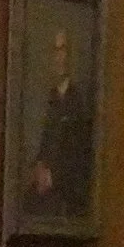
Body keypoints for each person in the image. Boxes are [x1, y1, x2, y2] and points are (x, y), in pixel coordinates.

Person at [26, 26, 95, 220]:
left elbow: (81, 156)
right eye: (56, 51)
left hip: (68, 195)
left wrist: (52, 176)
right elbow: (46, 143)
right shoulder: (52, 97)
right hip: (47, 189)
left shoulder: (79, 100)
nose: (60, 57)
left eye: (63, 50)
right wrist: (39, 167)